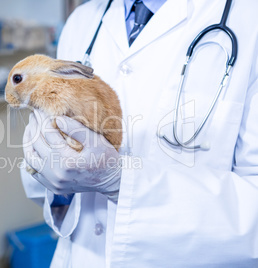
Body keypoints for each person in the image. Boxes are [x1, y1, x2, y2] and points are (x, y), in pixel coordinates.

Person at [20, 0, 258, 267]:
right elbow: (47, 182)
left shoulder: (249, 18)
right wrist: (55, 170)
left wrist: (120, 182)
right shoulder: (83, 21)